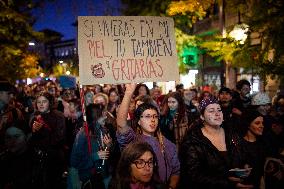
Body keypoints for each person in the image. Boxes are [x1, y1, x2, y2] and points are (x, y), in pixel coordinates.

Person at [179, 98, 253, 189]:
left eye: (219, 110)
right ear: (202, 116)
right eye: (211, 111)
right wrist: (228, 183)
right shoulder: (193, 141)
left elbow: (243, 154)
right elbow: (194, 175)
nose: (217, 113)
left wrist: (245, 165)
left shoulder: (231, 133)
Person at [117, 83, 180, 189]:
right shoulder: (133, 141)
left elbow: (176, 170)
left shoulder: (168, 144)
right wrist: (128, 93)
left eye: (155, 116)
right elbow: (121, 124)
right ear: (139, 122)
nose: (152, 120)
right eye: (147, 116)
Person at [68, 104, 116, 189]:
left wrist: (109, 146)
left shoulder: (104, 130)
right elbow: (74, 161)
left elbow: (107, 155)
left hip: (103, 176)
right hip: (88, 178)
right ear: (95, 116)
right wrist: (94, 156)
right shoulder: (83, 134)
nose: (106, 116)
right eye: (102, 113)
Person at [29, 91, 66, 189]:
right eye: (39, 102)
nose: (41, 104)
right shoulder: (35, 117)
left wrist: (42, 131)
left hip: (54, 158)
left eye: (44, 101)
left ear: (50, 102)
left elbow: (58, 138)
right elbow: (32, 142)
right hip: (39, 158)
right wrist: (34, 132)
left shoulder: (59, 116)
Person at [240, 110, 268, 189]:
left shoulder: (262, 144)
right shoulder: (239, 145)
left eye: (262, 123)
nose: (262, 126)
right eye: (257, 123)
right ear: (248, 125)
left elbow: (261, 171)